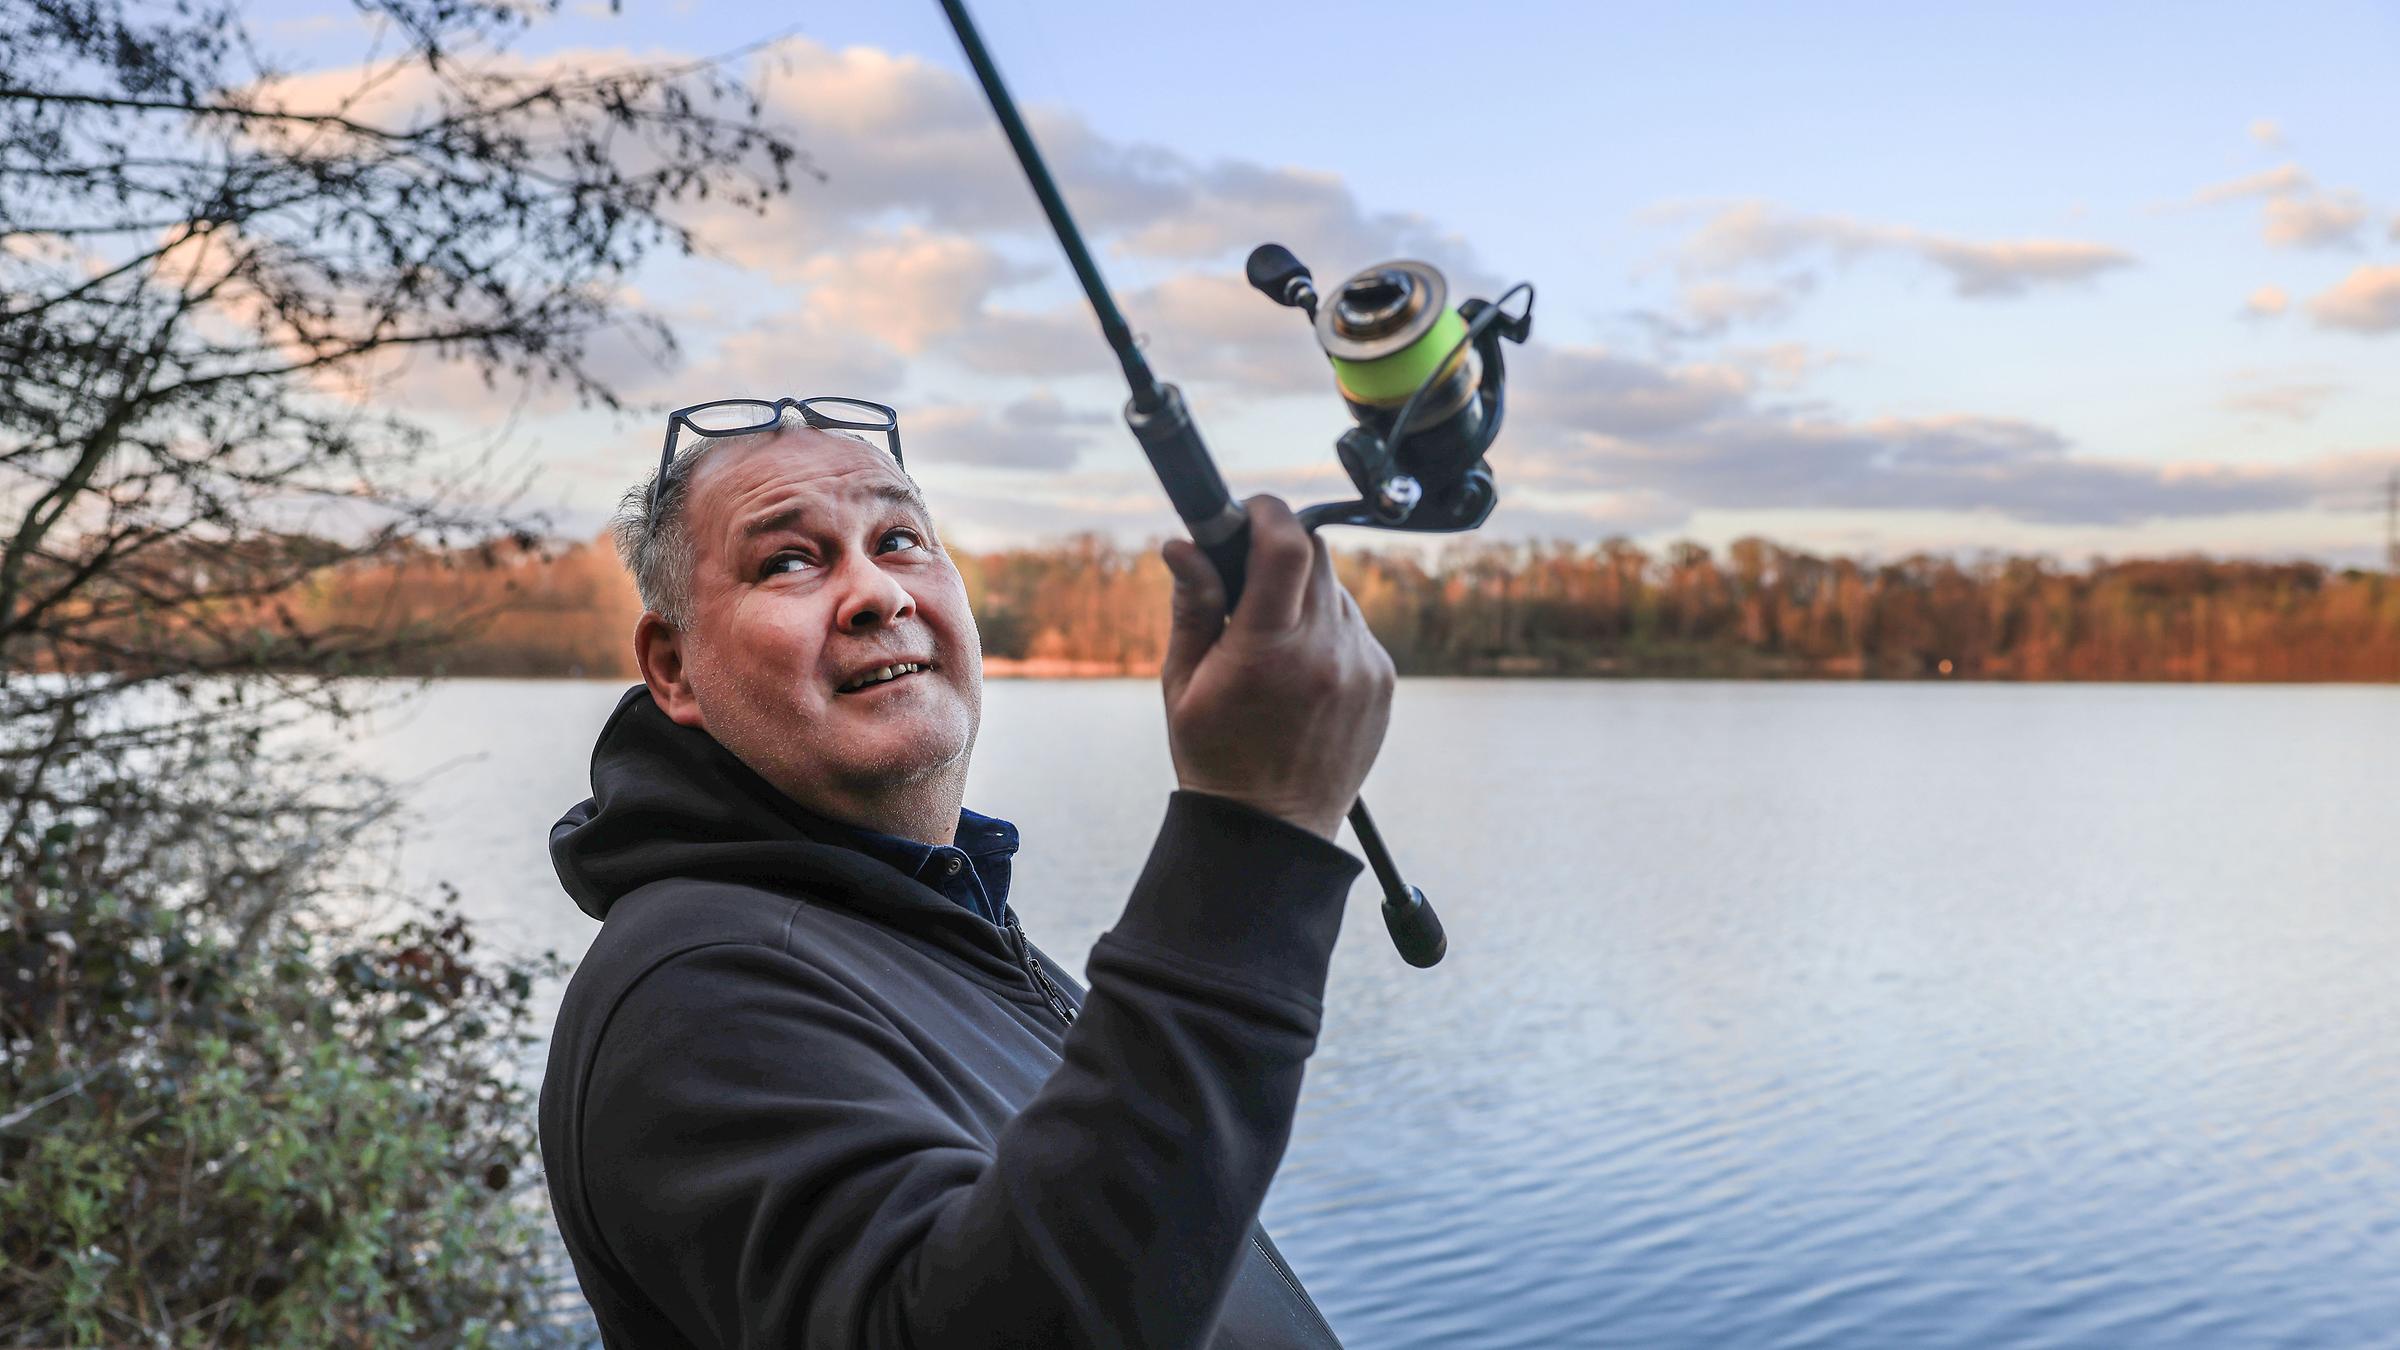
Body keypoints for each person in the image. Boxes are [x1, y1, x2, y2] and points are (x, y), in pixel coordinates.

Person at [538, 396, 1396, 1347]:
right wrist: (1251, 842)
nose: (879, 593)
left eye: (900, 539)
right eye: (788, 560)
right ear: (675, 671)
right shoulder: (693, 992)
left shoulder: (931, 922)